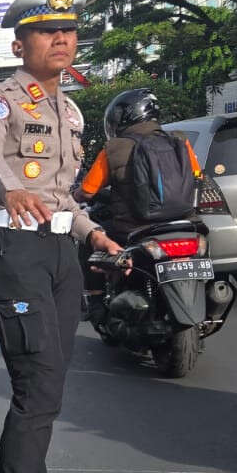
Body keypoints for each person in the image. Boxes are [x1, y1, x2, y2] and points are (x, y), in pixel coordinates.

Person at [0, 0, 123, 473]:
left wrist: (93, 233)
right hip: (15, 254)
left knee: (49, 391)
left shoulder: (69, 109)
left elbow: (62, 195)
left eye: (67, 31)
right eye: (45, 32)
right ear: (19, 45)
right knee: (35, 393)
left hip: (60, 256)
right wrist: (11, 192)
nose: (60, 40)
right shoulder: (1, 99)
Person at [75, 88, 204, 319]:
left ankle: (95, 298)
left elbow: (87, 191)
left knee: (90, 236)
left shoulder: (113, 148)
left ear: (124, 117)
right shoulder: (180, 140)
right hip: (184, 223)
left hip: (133, 227)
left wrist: (73, 196)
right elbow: (197, 177)